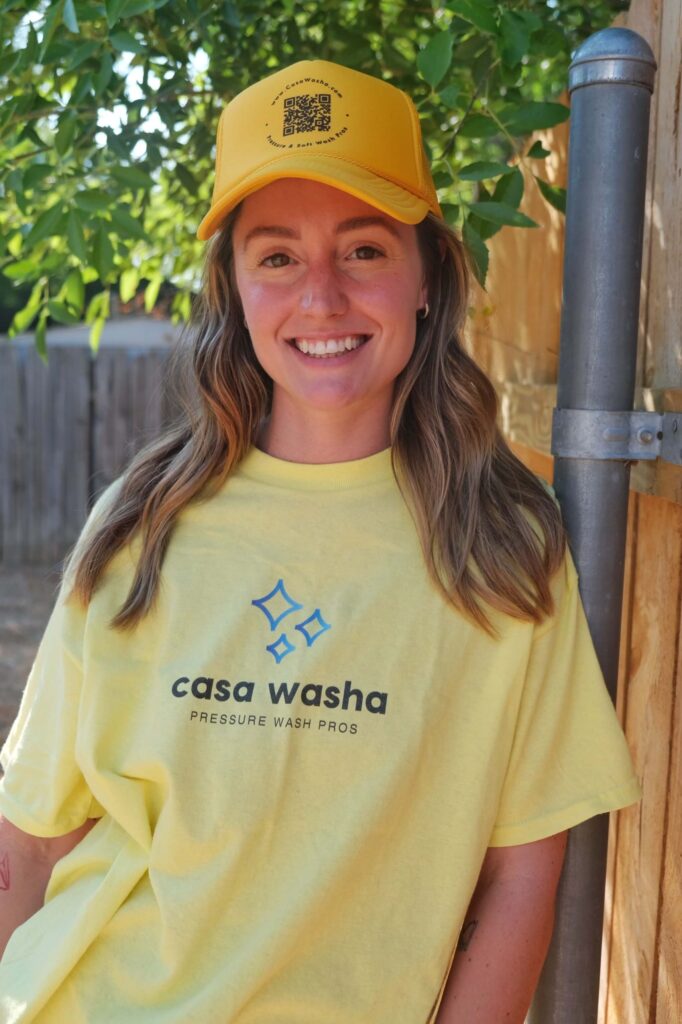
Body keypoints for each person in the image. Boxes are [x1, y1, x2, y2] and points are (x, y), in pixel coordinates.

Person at [0, 59, 641, 1023]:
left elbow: (519, 882)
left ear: (427, 276)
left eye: (366, 250)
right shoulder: (143, 523)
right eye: (277, 256)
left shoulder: (501, 552)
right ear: (235, 290)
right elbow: (30, 845)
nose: (323, 296)